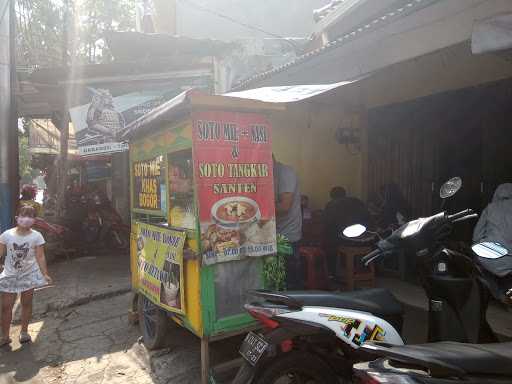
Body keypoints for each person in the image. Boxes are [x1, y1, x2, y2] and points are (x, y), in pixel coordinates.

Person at [0, 205, 52, 347]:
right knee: (5, 306)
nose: (27, 218)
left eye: (30, 216)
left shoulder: (37, 236)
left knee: (26, 303)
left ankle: (24, 332)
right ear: (17, 218)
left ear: (34, 220)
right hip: (9, 275)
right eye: (24, 215)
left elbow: (40, 256)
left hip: (29, 274)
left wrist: (45, 273)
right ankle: (4, 336)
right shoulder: (6, 235)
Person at [473, 183, 512, 303]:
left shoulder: (490, 208)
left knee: (478, 265)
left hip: (488, 257)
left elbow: (476, 235)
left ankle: (498, 295)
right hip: (510, 260)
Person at [323, 186, 370, 276]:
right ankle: (356, 269)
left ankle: (332, 274)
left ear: (331, 196)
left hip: (346, 240)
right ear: (345, 194)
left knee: (328, 241)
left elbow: (328, 224)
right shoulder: (357, 201)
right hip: (364, 239)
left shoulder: (331, 204)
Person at [274, 156, 304, 290]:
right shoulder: (267, 175)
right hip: (274, 234)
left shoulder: (285, 173)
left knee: (290, 279)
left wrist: (259, 210)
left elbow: (285, 206)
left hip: (288, 236)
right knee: (278, 279)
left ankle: (296, 307)